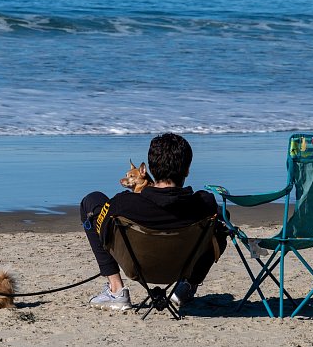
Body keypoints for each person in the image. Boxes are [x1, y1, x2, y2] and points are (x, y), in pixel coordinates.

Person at [80, 133, 227, 311]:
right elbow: (222, 222)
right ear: (187, 170)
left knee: (91, 201)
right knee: (220, 227)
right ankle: (186, 287)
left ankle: (116, 289)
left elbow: (102, 231)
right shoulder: (204, 204)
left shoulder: (123, 204)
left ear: (149, 168)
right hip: (182, 269)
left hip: (137, 267)